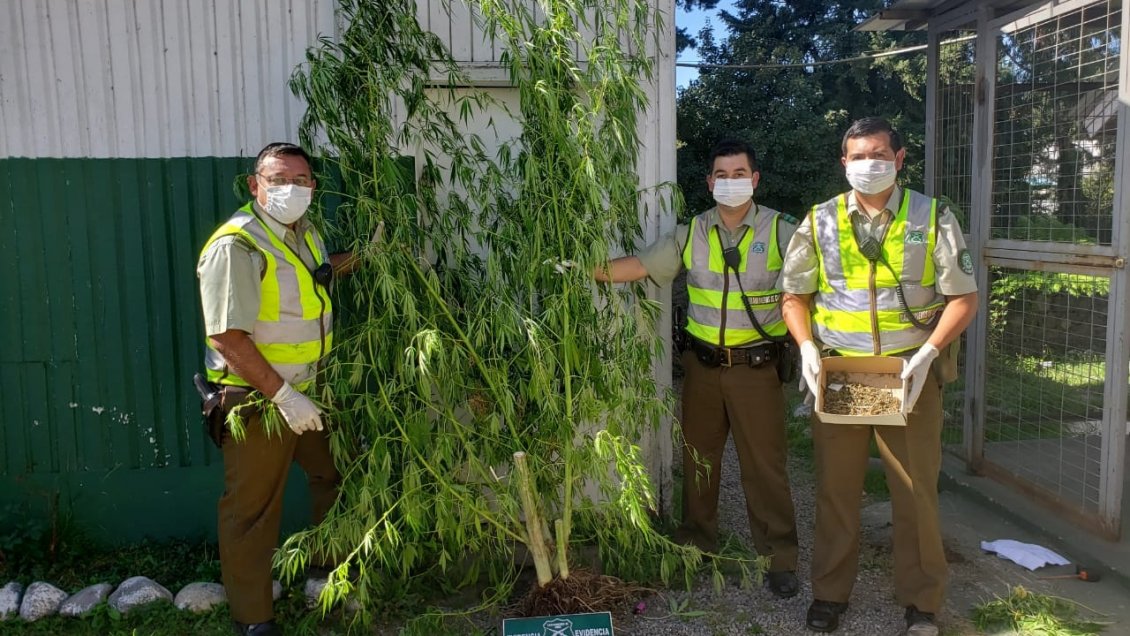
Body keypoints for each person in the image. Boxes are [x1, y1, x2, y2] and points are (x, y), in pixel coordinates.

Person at [780, 117, 978, 635]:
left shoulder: (932, 216)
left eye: (879, 154)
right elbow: (794, 296)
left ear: (899, 157)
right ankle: (830, 594)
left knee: (914, 491)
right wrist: (805, 346)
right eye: (858, 156)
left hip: (908, 374)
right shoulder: (819, 220)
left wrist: (930, 353)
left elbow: (964, 297)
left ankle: (923, 603)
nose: (869, 164)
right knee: (836, 489)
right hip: (843, 374)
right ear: (843, 163)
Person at [596, 139, 801, 599]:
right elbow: (642, 265)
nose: (730, 183)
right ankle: (696, 551)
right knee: (699, 464)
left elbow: (815, 282)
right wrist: (585, 271)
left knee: (765, 469)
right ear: (709, 182)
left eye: (739, 174)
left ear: (755, 179)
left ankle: (779, 560)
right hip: (704, 369)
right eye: (721, 175)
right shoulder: (692, 234)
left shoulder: (783, 232)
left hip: (756, 369)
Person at [196, 142, 371, 636]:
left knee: (335, 477)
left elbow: (313, 274)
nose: (290, 189)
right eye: (278, 180)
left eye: (300, 180)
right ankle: (254, 619)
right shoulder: (238, 245)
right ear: (256, 186)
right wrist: (284, 397)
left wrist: (362, 256)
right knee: (252, 508)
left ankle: (324, 573)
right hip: (257, 399)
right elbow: (227, 335)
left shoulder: (304, 233)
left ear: (313, 188)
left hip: (312, 390)